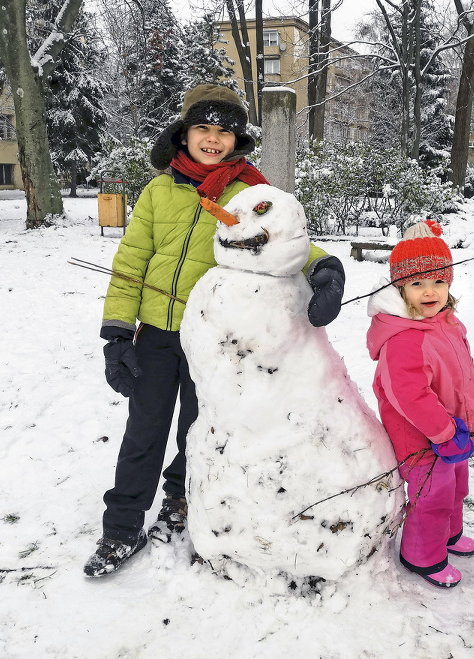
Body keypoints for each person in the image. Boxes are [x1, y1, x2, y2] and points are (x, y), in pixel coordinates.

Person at [84, 84, 346, 577]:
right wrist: (117, 334)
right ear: (184, 134)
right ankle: (121, 527)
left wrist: (323, 267)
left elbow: (282, 242)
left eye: (223, 130)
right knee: (143, 431)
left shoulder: (250, 194)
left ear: (236, 139)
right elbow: (131, 261)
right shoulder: (159, 191)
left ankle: (181, 500)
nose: (212, 138)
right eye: (203, 127)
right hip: (157, 336)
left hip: (214, 341)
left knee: (196, 428)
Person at [366, 220, 474, 588]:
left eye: (438, 281)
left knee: (456, 486)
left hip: (454, 428)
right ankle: (422, 556)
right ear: (400, 286)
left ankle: (448, 537)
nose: (429, 291)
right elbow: (410, 396)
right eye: (417, 283)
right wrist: (443, 431)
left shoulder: (447, 322)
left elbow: (463, 366)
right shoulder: (403, 337)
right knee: (431, 494)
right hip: (421, 437)